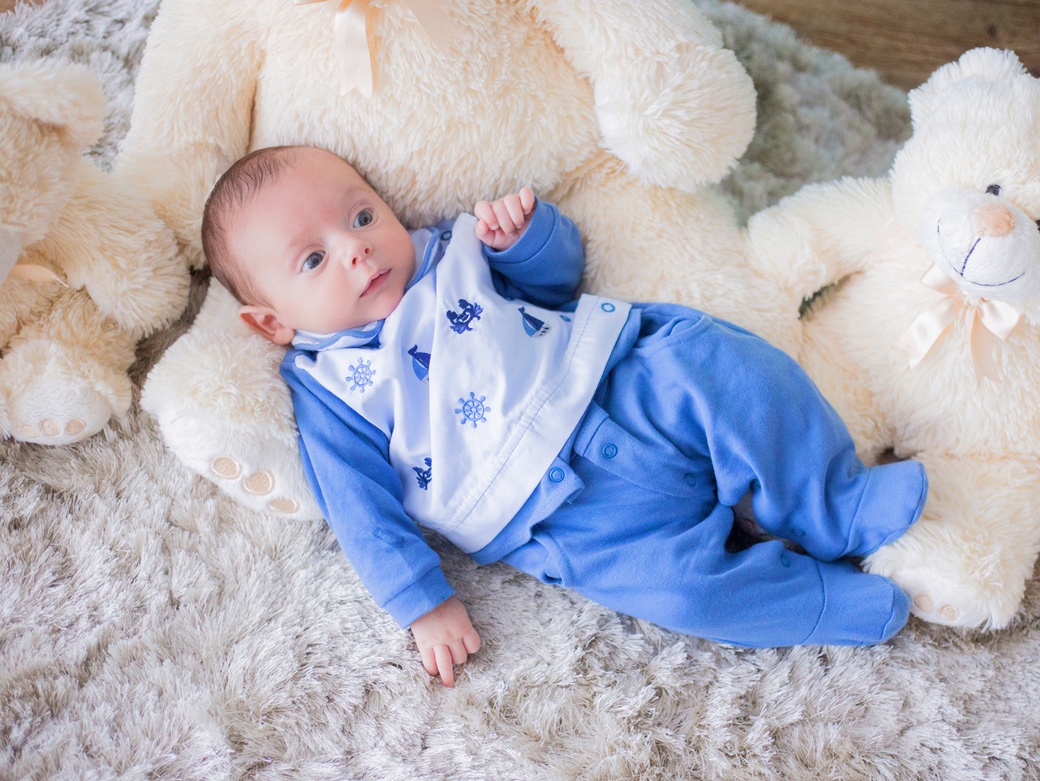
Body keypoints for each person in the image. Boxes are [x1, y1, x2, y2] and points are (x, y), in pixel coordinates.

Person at [201, 145, 928, 687]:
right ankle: (814, 602)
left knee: (731, 371)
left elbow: (553, 282)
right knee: (682, 589)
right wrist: (422, 604)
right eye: (313, 260)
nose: (355, 248)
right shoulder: (328, 389)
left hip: (619, 385)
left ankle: (833, 503)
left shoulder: (452, 250)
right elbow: (359, 509)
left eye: (362, 216)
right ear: (272, 323)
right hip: (565, 518)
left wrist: (525, 240)